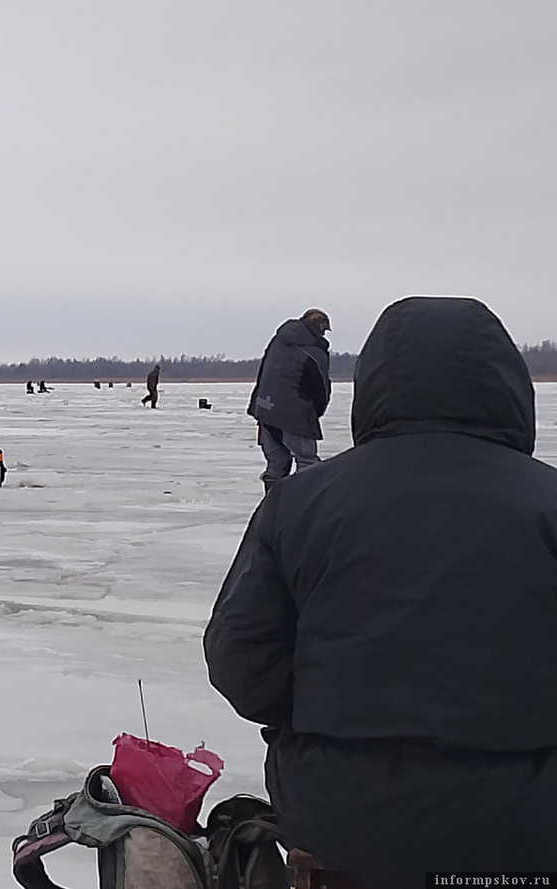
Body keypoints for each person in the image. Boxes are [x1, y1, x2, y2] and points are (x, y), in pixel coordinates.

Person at [204, 297, 557, 887]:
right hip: (530, 820)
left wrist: (324, 725)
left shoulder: (296, 505)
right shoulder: (548, 504)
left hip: (340, 813)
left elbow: (241, 663)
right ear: (511, 387)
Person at [247, 309, 331, 492]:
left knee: (276, 463)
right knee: (308, 462)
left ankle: (272, 507)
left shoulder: (278, 342)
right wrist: (316, 412)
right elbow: (321, 389)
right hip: (294, 414)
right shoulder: (314, 353)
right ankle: (305, 508)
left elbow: (264, 373)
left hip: (264, 409)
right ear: (320, 328)